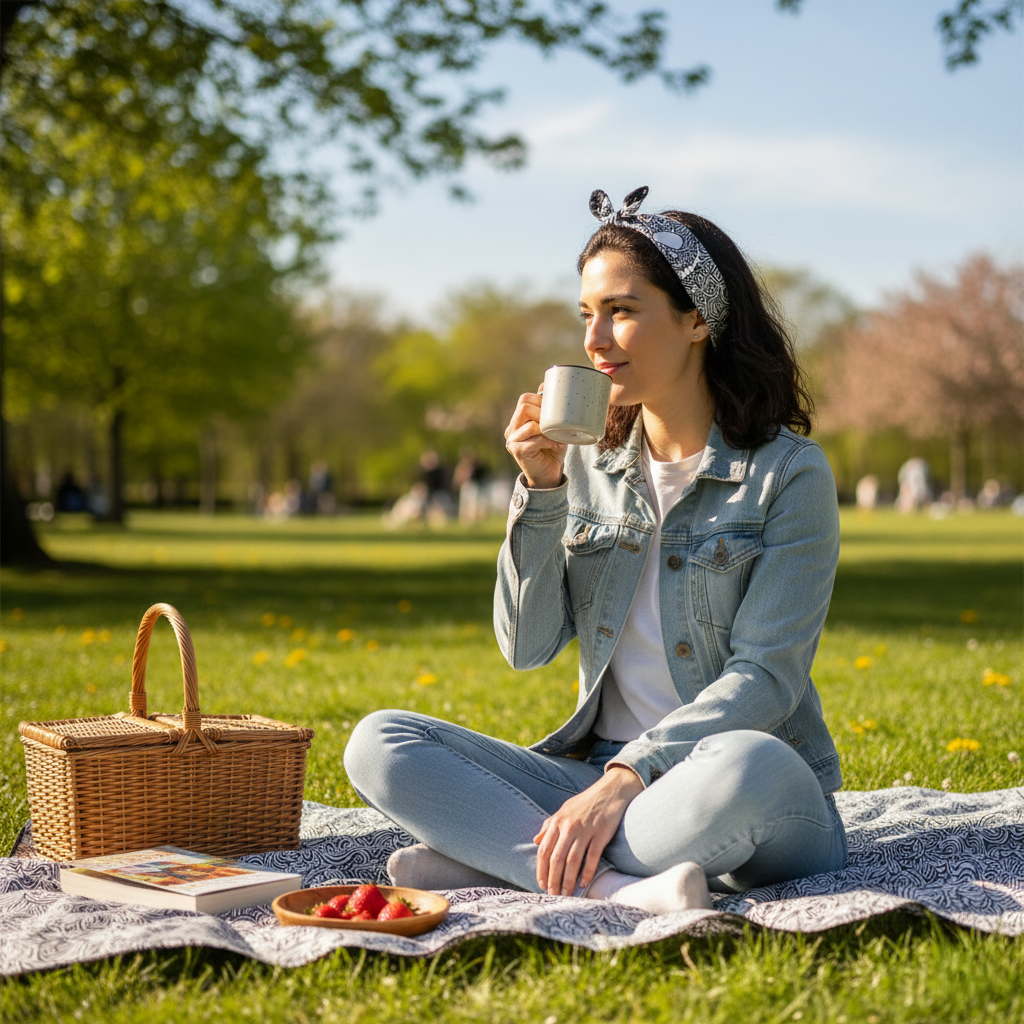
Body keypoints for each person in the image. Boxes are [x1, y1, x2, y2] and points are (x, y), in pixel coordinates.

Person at [345, 187, 846, 914]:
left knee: (751, 765)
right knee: (379, 741)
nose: (594, 339)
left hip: (733, 784)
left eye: (621, 310)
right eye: (587, 315)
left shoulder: (787, 474)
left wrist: (625, 780)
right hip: (595, 780)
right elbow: (526, 646)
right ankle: (616, 886)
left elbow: (765, 681)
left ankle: (505, 856)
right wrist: (541, 490)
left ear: (698, 318)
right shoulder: (586, 468)